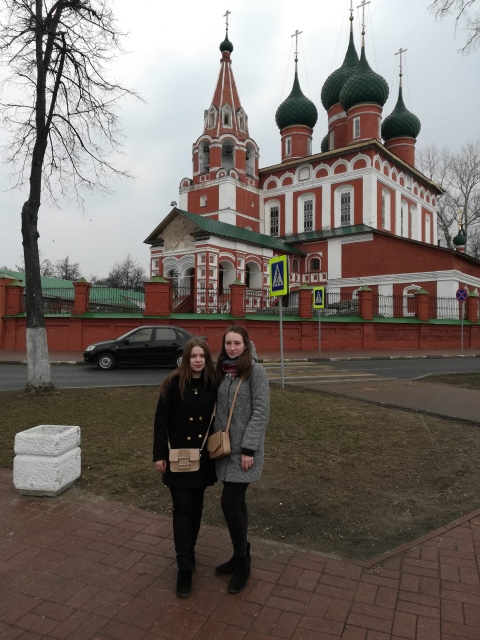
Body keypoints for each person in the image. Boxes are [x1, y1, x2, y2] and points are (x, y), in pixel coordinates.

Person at [153, 338, 217, 599]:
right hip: (178, 458)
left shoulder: (214, 383)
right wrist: (159, 455)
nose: (198, 360)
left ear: (207, 359)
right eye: (193, 356)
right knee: (182, 508)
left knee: (197, 506)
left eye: (202, 356)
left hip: (202, 459)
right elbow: (161, 422)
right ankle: (184, 567)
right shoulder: (172, 383)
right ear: (186, 359)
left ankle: (189, 550)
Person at [213, 325, 270, 594]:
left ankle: (243, 561)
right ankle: (239, 556)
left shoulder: (255, 372)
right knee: (238, 503)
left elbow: (261, 411)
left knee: (230, 503)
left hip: (245, 452)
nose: (232, 348)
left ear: (246, 345)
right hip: (224, 451)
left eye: (237, 343)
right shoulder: (222, 371)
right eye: (228, 343)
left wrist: (249, 449)